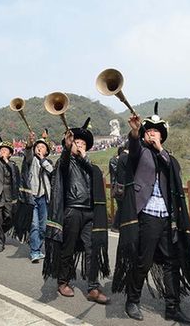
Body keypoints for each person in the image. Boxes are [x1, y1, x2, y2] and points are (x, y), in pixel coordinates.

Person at [114, 103, 190, 324]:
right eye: (149, 130)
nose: (152, 133)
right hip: (147, 214)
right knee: (143, 261)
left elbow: (175, 171)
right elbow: (133, 147)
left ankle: (172, 307)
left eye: (156, 131)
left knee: (172, 262)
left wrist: (161, 150)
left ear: (162, 136)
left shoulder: (167, 158)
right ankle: (132, 300)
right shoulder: (139, 152)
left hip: (167, 216)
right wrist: (135, 132)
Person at [43, 118, 111, 305]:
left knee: (92, 248)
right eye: (76, 143)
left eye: (82, 144)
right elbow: (63, 162)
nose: (79, 146)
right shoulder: (65, 163)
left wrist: (85, 158)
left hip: (90, 213)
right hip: (72, 211)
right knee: (68, 248)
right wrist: (66, 148)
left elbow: (96, 178)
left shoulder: (91, 166)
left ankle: (93, 288)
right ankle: (63, 281)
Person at [20, 132, 53, 263]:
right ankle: (35, 251)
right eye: (37, 146)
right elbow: (28, 152)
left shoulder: (48, 162)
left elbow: (52, 171)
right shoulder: (31, 160)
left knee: (43, 226)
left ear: (47, 150)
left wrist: (43, 160)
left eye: (43, 146)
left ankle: (37, 246)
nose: (40, 148)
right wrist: (29, 143)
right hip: (32, 197)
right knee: (34, 225)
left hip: (44, 197)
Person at [0, 140, 20, 252]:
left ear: (10, 154)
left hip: (8, 195)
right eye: (1, 150)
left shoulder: (13, 165)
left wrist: (7, 162)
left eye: (5, 150)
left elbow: (15, 178)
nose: (3, 152)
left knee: (9, 217)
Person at [109, 144, 128, 231]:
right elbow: (117, 172)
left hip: (120, 186)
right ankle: (115, 225)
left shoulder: (116, 160)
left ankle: (119, 225)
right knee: (121, 206)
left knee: (123, 206)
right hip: (117, 186)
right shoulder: (114, 161)